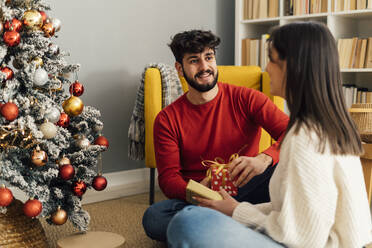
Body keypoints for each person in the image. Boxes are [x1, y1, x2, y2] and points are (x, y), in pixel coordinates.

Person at [166, 22, 372, 248]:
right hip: (219, 197)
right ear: (180, 68)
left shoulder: (304, 138)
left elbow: (303, 238)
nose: (266, 68)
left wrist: (237, 210)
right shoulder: (330, 124)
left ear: (294, 67)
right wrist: (234, 209)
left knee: (187, 222)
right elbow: (290, 210)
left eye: (272, 60)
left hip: (306, 240)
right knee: (164, 215)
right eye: (194, 60)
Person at [142, 29, 289, 242]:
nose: (204, 67)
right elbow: (168, 178)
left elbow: (293, 133)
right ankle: (241, 220)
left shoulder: (248, 98)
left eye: (208, 57)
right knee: (154, 218)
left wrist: (263, 158)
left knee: (285, 171)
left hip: (249, 186)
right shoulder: (167, 119)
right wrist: (196, 190)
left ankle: (224, 223)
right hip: (201, 197)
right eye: (194, 60)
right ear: (179, 69)